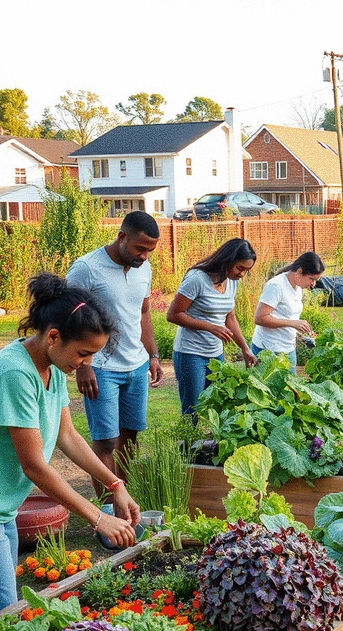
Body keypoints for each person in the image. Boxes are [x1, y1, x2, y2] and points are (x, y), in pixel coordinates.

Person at [0, 274, 141, 608]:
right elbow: (34, 466)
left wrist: (114, 484)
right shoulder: (15, 373)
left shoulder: (50, 366)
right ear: (53, 336)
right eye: (83, 353)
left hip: (5, 510)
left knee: (7, 611)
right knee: (6, 613)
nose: (86, 364)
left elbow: (68, 436)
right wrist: (98, 517)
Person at [66, 211, 164, 494]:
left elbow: (143, 312)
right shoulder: (87, 268)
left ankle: (126, 498)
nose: (145, 256)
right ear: (122, 237)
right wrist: (83, 365)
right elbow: (68, 317)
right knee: (107, 441)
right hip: (101, 368)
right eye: (140, 248)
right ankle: (109, 507)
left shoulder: (143, 268)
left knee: (130, 437)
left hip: (135, 366)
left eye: (150, 250)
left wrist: (153, 355)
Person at [167, 238, 258, 418]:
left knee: (218, 405)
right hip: (190, 353)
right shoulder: (197, 279)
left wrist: (245, 349)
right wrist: (210, 327)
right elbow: (173, 314)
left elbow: (230, 318)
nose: (242, 274)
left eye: (247, 271)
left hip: (215, 354)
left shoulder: (231, 281)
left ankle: (209, 446)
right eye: (240, 268)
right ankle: (187, 445)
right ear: (227, 260)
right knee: (192, 410)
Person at [251, 251, 325, 371]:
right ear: (300, 271)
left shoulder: (298, 288)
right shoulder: (276, 286)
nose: (313, 284)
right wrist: (292, 323)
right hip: (268, 350)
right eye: (311, 279)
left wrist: (300, 333)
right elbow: (259, 318)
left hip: (288, 349)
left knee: (290, 388)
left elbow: (284, 316)